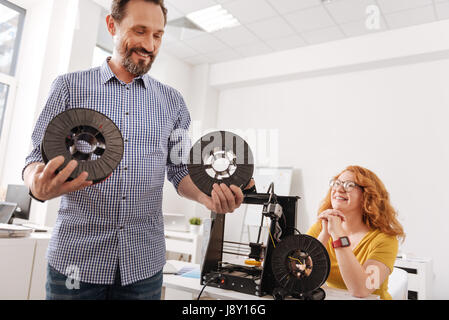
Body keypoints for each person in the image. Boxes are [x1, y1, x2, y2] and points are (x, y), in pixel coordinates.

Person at [22, 0, 253, 300]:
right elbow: (33, 160)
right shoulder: (69, 87)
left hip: (143, 266)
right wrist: (36, 185)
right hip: (76, 260)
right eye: (140, 31)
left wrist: (205, 197)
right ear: (111, 26)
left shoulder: (173, 102)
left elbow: (180, 170)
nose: (149, 44)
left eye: (157, 35)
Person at [306, 165, 404, 300]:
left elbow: (362, 290)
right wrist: (324, 235)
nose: (338, 189)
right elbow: (301, 273)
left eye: (349, 185)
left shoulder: (385, 240)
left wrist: (338, 236)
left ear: (367, 195)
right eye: (337, 183)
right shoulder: (321, 228)